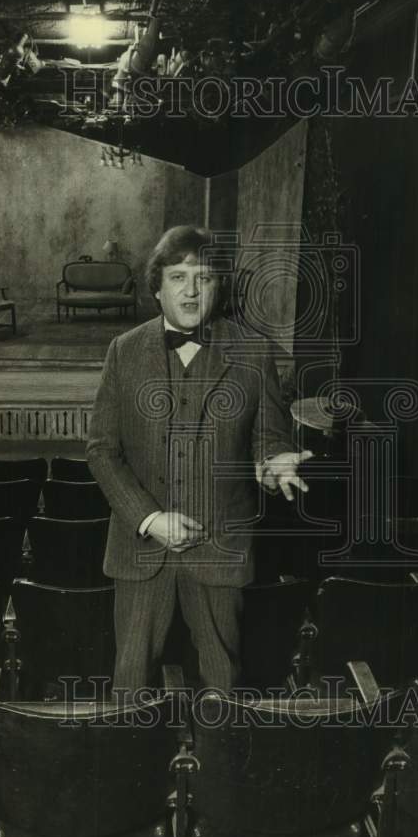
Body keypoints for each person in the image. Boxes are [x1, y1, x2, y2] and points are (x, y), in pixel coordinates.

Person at [86, 225, 311, 695]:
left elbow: (268, 439)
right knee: (129, 684)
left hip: (220, 547)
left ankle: (217, 766)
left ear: (219, 287)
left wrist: (275, 464)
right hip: (141, 550)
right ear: (156, 287)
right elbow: (102, 451)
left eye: (205, 277)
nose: (191, 290)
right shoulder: (123, 352)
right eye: (178, 276)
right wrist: (148, 518)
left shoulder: (253, 351)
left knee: (222, 683)